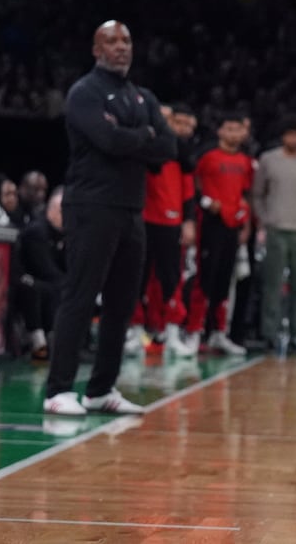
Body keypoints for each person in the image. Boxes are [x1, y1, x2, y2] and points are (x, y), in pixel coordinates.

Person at [44, 21, 177, 416]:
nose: (121, 47)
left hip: (131, 210)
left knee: (122, 304)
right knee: (80, 296)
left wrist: (132, 137)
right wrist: (143, 137)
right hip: (91, 206)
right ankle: (58, 390)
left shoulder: (141, 96)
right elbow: (106, 140)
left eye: (127, 41)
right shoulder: (85, 92)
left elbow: (168, 147)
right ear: (96, 48)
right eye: (112, 41)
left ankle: (101, 389)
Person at [253, 116, 296, 354]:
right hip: (276, 229)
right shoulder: (268, 160)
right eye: (289, 134)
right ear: (282, 136)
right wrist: (265, 220)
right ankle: (269, 333)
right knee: (272, 284)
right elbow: (257, 194)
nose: (294, 139)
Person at [134, 103, 199, 358]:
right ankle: (135, 330)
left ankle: (172, 332)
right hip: (142, 219)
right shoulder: (138, 147)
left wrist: (188, 220)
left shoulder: (181, 155)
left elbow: (189, 192)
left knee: (172, 278)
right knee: (136, 277)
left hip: (170, 222)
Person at [192, 111, 253, 356]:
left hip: (233, 226)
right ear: (220, 132)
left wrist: (246, 226)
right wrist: (207, 203)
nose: (233, 134)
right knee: (204, 278)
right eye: (228, 129)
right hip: (210, 224)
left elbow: (246, 196)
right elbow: (194, 186)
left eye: (237, 130)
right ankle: (195, 332)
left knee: (226, 281)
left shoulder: (245, 162)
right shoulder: (207, 157)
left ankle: (219, 333)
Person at [14, 187, 67, 360]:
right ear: (51, 210)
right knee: (48, 289)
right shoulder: (37, 231)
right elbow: (45, 269)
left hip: (46, 280)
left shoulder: (63, 233)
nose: (66, 217)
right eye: (62, 211)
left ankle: (67, 341)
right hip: (25, 278)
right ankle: (41, 342)